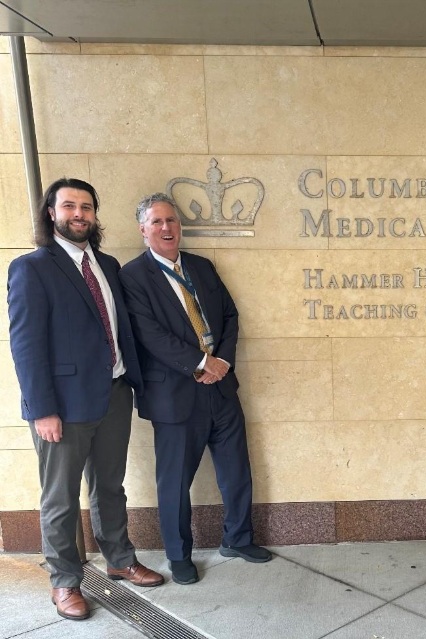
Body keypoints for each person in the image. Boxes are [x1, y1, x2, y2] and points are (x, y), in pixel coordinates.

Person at [7, 178, 164, 621]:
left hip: (113, 394)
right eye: (70, 206)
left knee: (110, 487)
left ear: (95, 215)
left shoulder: (109, 265)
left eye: (87, 207)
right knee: (60, 498)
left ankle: (119, 558)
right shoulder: (31, 268)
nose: (80, 214)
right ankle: (64, 582)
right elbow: (26, 345)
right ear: (51, 213)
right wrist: (42, 410)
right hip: (63, 406)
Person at [119, 192, 270, 586]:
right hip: (174, 396)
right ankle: (178, 555)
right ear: (143, 230)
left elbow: (230, 316)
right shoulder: (133, 276)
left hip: (221, 389)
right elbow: (148, 334)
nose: (166, 228)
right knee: (174, 484)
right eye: (157, 222)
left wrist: (221, 363)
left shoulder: (202, 267)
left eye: (171, 221)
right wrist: (202, 363)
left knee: (236, 472)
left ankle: (237, 539)